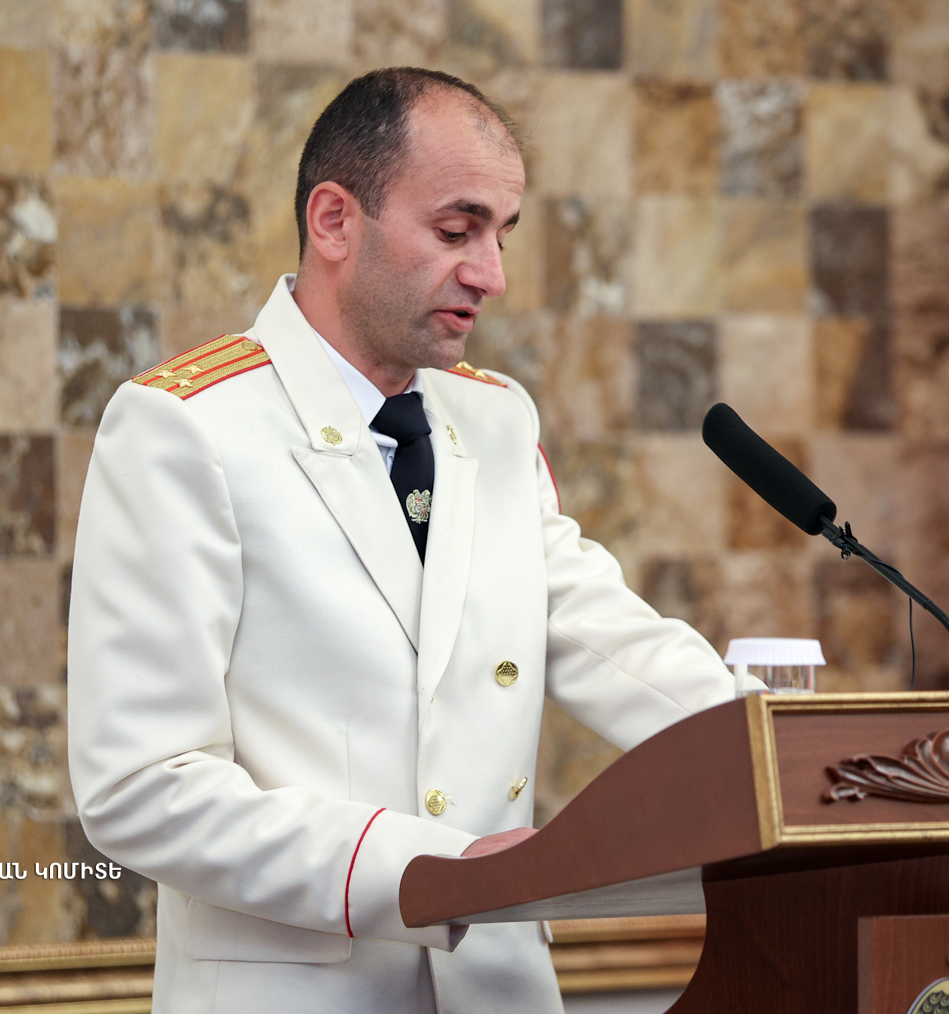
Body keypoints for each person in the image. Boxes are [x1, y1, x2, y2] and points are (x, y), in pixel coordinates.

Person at [66, 67, 736, 1014]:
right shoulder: (186, 426)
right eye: (458, 231)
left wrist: (796, 760)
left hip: (497, 992)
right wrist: (425, 871)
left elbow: (605, 637)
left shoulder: (494, 419)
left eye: (502, 235)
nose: (492, 275)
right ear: (335, 220)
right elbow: (140, 784)